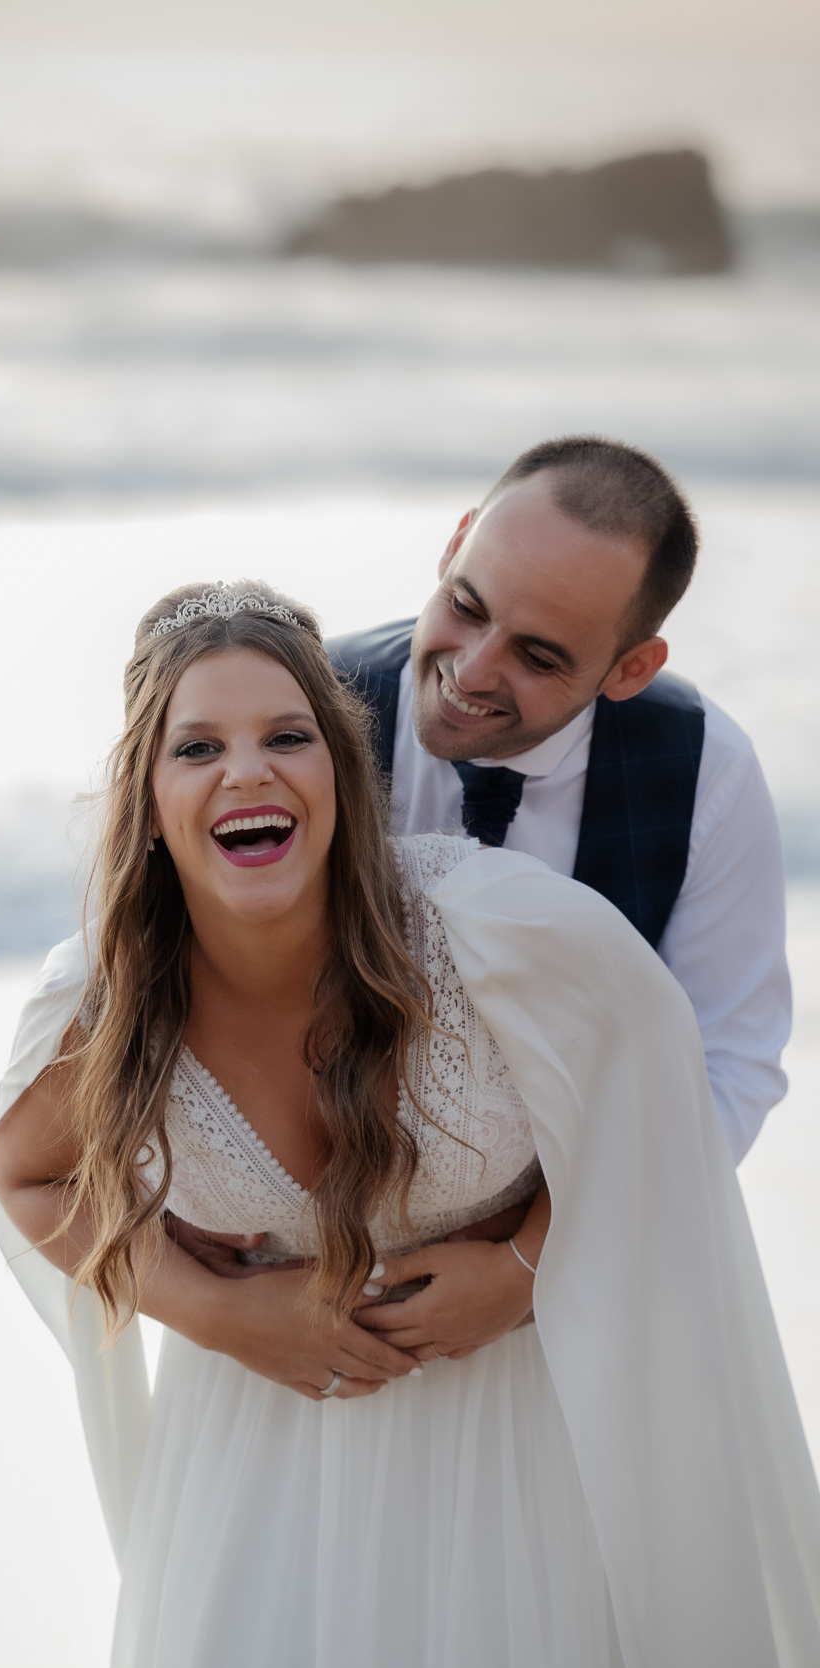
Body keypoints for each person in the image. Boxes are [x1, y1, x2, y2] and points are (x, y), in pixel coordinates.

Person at [0, 582, 820, 1668]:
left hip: (520, 1453)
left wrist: (527, 1267)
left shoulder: (504, 934)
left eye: (287, 735)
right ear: (148, 803)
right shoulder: (105, 1002)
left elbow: (664, 1130)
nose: (246, 771)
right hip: (262, 1461)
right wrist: (222, 1312)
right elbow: (28, 1174)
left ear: (342, 773)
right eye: (197, 747)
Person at [174, 437, 791, 1362]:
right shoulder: (291, 723)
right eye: (466, 606)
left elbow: (724, 1065)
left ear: (631, 668)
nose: (471, 669)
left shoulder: (706, 771)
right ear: (457, 540)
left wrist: (535, 1270)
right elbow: (158, 981)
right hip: (294, 1312)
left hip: (573, 1322)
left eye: (538, 656)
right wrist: (178, 1188)